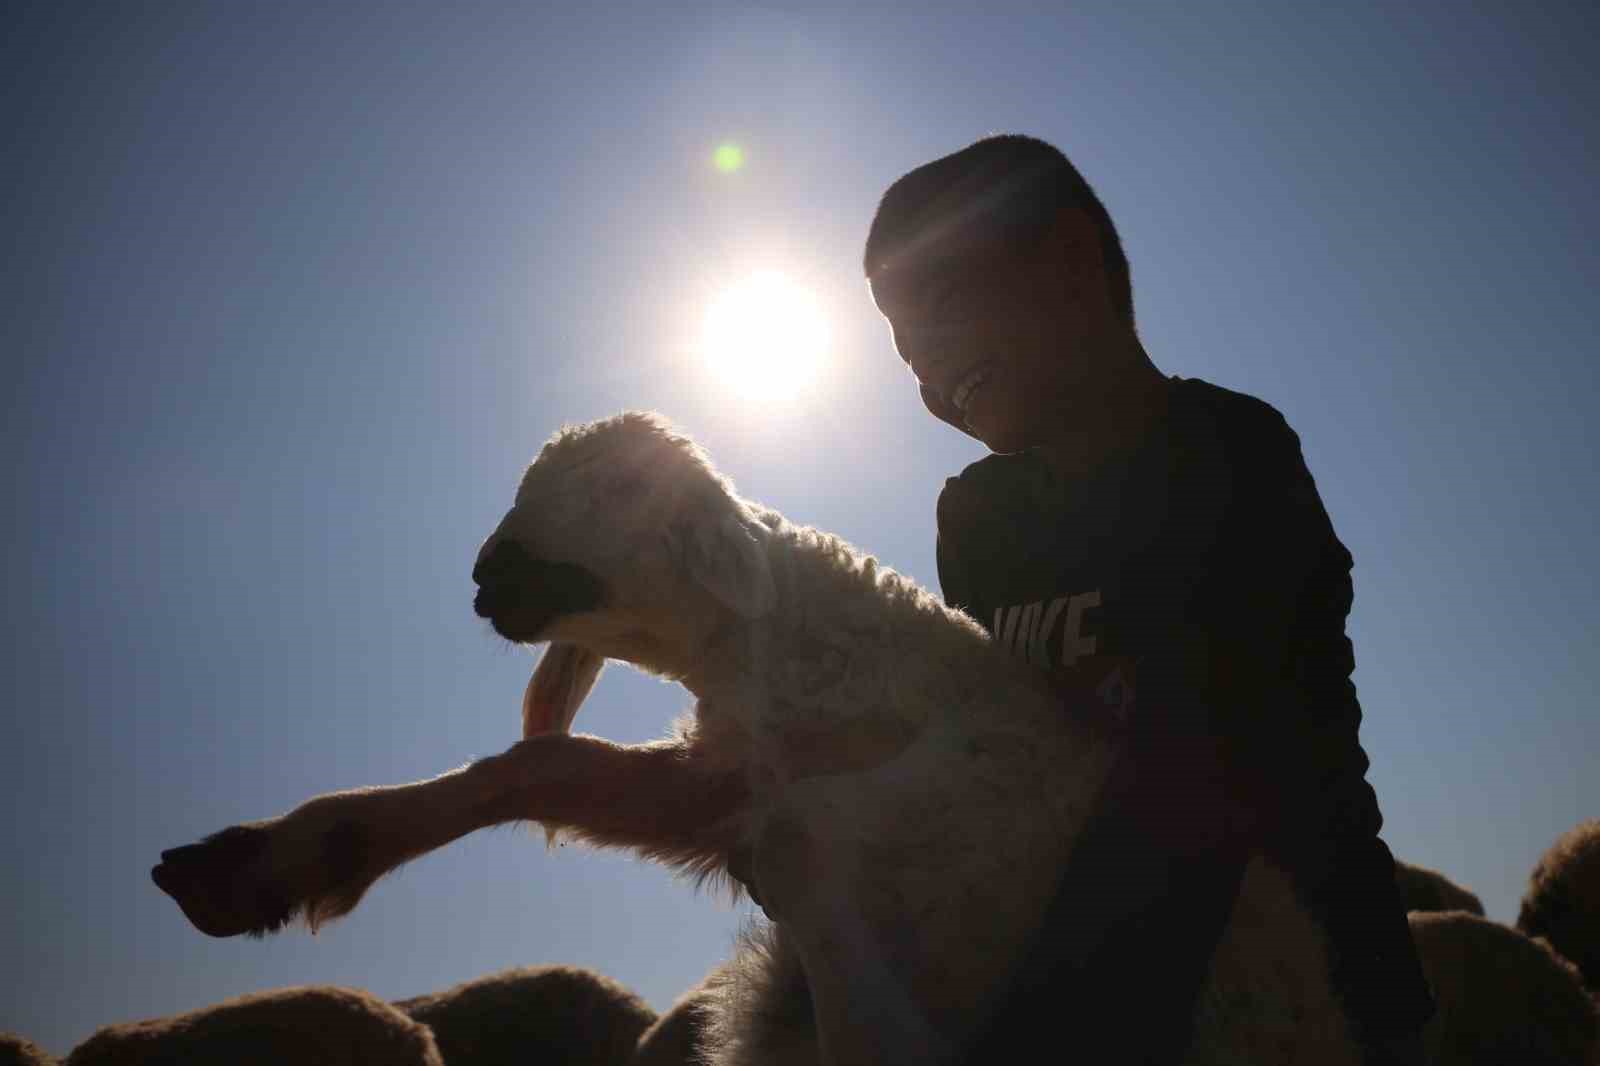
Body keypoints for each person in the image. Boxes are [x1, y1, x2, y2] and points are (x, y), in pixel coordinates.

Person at [860, 134, 1436, 1064]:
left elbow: (1211, 760)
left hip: (1316, 995)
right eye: (897, 346)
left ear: (1070, 262)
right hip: (1102, 993)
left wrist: (1027, 1024)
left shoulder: (1231, 450)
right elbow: (984, 746)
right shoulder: (978, 520)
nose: (921, 366)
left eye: (939, 305)